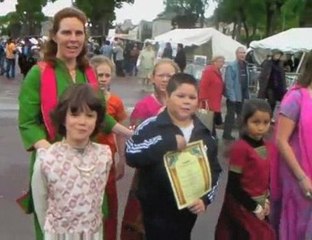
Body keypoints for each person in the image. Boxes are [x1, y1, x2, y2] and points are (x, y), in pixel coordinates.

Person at [17, 7, 132, 240]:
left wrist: (127, 132)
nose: (73, 39)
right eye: (66, 32)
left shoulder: (88, 72)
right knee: (52, 224)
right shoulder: (38, 74)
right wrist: (54, 155)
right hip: (53, 161)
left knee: (89, 221)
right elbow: (28, 123)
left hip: (86, 160)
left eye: (79, 33)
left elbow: (99, 115)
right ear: (54, 35)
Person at [125, 73, 221, 240]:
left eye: (192, 97)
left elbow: (214, 171)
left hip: (187, 210)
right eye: (180, 96)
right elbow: (131, 154)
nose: (187, 101)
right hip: (154, 209)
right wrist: (167, 143)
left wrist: (205, 199)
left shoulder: (205, 135)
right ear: (167, 97)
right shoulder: (152, 125)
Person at [31, 84, 112, 240]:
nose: (82, 122)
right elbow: (41, 205)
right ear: (63, 118)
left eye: (89, 116)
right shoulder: (47, 158)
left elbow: (98, 198)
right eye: (75, 115)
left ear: (97, 120)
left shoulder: (103, 155)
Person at [120, 58, 180, 240]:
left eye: (170, 75)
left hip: (176, 173)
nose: (165, 79)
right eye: (161, 75)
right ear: (152, 77)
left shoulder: (183, 103)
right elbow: (135, 141)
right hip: (148, 174)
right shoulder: (144, 106)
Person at [215, 99, 275, 240]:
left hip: (260, 204)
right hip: (242, 208)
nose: (261, 127)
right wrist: (254, 207)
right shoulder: (241, 148)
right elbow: (233, 185)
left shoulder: (268, 146)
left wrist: (267, 199)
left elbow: (267, 177)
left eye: (265, 123)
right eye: (256, 122)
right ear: (245, 122)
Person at [271, 51, 312, 239]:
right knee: (298, 225)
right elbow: (281, 140)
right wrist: (302, 178)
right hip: (298, 174)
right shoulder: (296, 97)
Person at [90, 55, 127, 240]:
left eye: (107, 74)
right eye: (99, 75)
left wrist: (121, 159)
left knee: (110, 201)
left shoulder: (116, 102)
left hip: (108, 158)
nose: (103, 78)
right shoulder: (85, 98)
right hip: (87, 158)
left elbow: (120, 132)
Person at [223, 46, 250, 140]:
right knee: (230, 116)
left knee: (241, 116)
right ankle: (226, 134)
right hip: (233, 96)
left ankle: (242, 135)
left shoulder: (245, 65)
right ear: (236, 54)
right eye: (240, 53)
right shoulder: (231, 66)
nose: (242, 55)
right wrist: (232, 97)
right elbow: (229, 83)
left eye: (244, 53)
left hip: (242, 95)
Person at [199, 55, 225, 136]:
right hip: (208, 101)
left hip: (215, 100)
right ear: (214, 62)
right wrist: (203, 99)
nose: (222, 64)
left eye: (222, 62)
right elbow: (203, 86)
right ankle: (211, 137)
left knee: (211, 120)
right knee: (208, 120)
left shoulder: (218, 72)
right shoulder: (209, 71)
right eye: (220, 62)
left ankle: (212, 136)